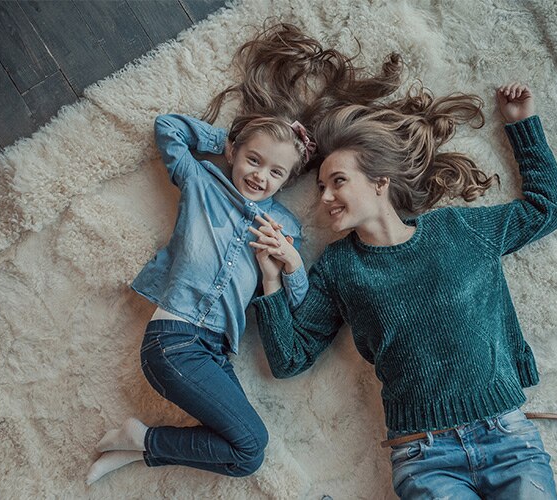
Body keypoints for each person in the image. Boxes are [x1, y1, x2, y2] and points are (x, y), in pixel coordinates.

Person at [86, 23, 402, 484]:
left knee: (249, 452)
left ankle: (143, 443)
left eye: (276, 172)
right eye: (253, 160)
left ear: (287, 181)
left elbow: (296, 307)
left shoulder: (283, 226)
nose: (260, 176)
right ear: (235, 154)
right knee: (247, 445)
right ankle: (141, 442)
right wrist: (223, 143)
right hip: (175, 336)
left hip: (216, 352)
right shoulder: (202, 183)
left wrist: (291, 265)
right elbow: (168, 129)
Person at [249, 83, 557, 498]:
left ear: (380, 182)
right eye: (321, 187)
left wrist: (521, 123)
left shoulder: (460, 229)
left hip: (508, 440)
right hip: (424, 457)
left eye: (338, 181)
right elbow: (289, 358)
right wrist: (272, 280)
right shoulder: (338, 268)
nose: (326, 197)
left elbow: (548, 208)